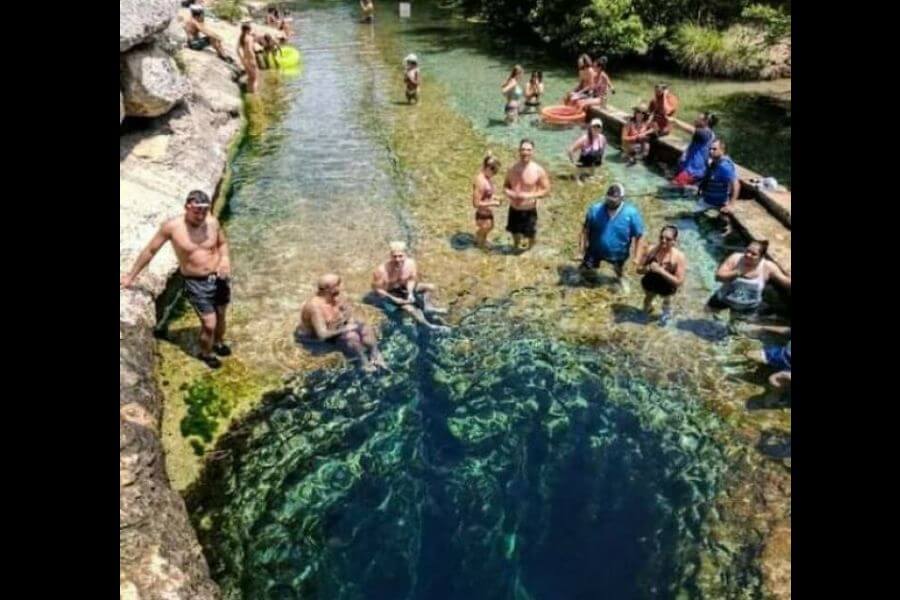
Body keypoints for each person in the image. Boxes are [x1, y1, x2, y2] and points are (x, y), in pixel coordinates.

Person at [120, 190, 232, 369]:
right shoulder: (172, 227)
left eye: (204, 211)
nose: (201, 216)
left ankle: (218, 343)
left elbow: (222, 244)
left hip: (219, 278)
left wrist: (225, 259)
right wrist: (131, 276)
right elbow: (150, 250)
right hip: (196, 282)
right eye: (197, 212)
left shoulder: (212, 222)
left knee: (221, 315)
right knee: (209, 323)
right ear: (187, 207)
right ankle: (206, 353)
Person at [297, 274, 387, 372]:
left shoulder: (337, 297)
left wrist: (351, 321)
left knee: (365, 327)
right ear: (328, 289)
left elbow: (349, 314)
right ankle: (363, 363)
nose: (342, 286)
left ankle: (375, 354)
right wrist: (346, 329)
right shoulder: (315, 307)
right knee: (351, 336)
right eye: (338, 284)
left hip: (335, 329)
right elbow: (322, 335)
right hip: (315, 340)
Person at [578, 183, 645, 292]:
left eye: (614, 200)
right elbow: (585, 230)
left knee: (618, 270)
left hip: (618, 252)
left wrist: (637, 257)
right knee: (585, 271)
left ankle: (621, 278)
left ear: (622, 198)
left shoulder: (631, 213)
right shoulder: (595, 210)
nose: (611, 202)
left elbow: (639, 236)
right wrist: (581, 249)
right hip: (594, 250)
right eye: (609, 199)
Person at [372, 242, 450, 332]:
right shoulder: (381, 270)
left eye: (400, 256)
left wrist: (410, 293)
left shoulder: (411, 264)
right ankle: (429, 326)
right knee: (411, 310)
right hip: (389, 294)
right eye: (394, 256)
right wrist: (394, 299)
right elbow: (377, 289)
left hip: (403, 288)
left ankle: (427, 308)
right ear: (390, 256)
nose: (397, 259)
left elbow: (411, 279)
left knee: (430, 287)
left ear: (405, 255)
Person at [707, 240, 791, 324]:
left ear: (761, 256)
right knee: (707, 315)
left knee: (735, 326)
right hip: (723, 299)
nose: (748, 255)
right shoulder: (735, 258)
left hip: (747, 307)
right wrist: (737, 272)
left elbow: (784, 281)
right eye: (747, 251)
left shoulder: (767, 267)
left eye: (753, 254)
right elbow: (718, 277)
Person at [504, 138, 551, 251]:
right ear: (519, 151)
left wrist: (529, 196)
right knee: (514, 231)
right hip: (514, 208)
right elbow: (505, 186)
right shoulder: (512, 169)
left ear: (533, 151)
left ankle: (530, 249)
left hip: (529, 209)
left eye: (528, 150)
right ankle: (516, 246)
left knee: (530, 233)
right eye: (523, 149)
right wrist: (510, 194)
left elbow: (547, 189)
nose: (525, 152)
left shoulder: (538, 170)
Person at [637, 225, 686, 325]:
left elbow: (679, 282)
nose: (663, 241)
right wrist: (647, 269)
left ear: (674, 241)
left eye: (668, 239)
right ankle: (646, 312)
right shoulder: (650, 250)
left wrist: (661, 271)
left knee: (667, 301)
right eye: (661, 237)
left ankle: (665, 314)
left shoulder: (679, 257)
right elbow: (638, 270)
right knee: (648, 298)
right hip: (650, 282)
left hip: (667, 285)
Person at [695, 139, 740, 234]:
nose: (711, 151)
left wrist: (731, 205)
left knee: (701, 222)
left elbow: (736, 184)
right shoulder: (715, 162)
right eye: (710, 149)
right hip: (707, 199)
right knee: (696, 218)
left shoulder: (724, 166)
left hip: (717, 203)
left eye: (714, 149)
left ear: (722, 150)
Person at [671, 112, 718, 193]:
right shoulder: (710, 133)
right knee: (676, 189)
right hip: (692, 168)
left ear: (705, 122)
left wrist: (675, 121)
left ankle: (693, 189)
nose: (695, 120)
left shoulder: (705, 133)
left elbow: (690, 130)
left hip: (692, 170)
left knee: (670, 189)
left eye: (698, 119)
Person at [472, 153, 502, 249]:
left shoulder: (486, 178)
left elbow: (486, 194)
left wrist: (494, 197)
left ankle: (480, 240)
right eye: (494, 171)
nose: (495, 174)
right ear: (488, 168)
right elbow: (476, 203)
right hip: (482, 214)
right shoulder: (481, 182)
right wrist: (493, 203)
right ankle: (480, 246)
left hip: (486, 212)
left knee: (489, 227)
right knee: (486, 227)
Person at [237, 22, 259, 93]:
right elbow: (249, 49)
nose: (251, 31)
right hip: (250, 60)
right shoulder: (249, 38)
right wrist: (254, 58)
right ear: (247, 30)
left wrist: (242, 59)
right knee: (255, 79)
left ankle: (249, 94)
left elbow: (237, 50)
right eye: (250, 29)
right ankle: (254, 96)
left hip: (245, 60)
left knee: (250, 78)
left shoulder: (241, 38)